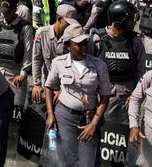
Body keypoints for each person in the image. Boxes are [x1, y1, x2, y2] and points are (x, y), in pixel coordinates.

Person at [44, 24, 111, 167]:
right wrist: (50, 114)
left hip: (89, 119)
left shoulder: (99, 65)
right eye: (78, 44)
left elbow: (105, 97)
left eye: (85, 43)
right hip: (65, 117)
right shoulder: (58, 63)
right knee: (66, 159)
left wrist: (94, 124)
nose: (84, 48)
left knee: (87, 161)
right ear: (68, 45)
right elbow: (49, 86)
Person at [94, 1, 145, 124]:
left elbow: (141, 71)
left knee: (125, 130)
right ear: (121, 20)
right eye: (131, 19)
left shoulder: (135, 41)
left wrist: (135, 95)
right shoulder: (97, 39)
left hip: (127, 94)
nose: (135, 22)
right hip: (102, 93)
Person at [31, 4, 79, 103]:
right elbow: (36, 59)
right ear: (60, 19)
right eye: (68, 23)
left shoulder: (71, 36)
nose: (70, 26)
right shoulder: (42, 33)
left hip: (66, 85)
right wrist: (37, 84)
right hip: (47, 83)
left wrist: (61, 89)